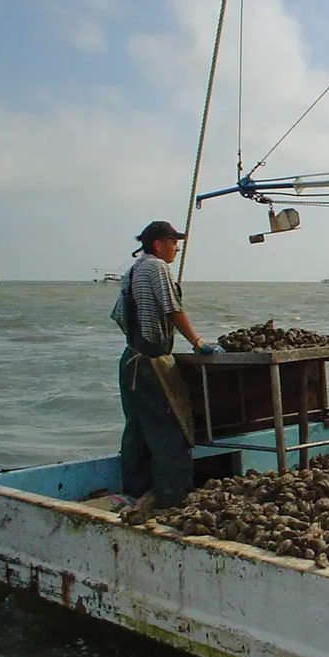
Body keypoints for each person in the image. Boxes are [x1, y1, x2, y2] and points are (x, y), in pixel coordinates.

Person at [110, 220, 223, 515]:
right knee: (170, 430)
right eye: (173, 242)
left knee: (135, 429)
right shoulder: (157, 268)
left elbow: (119, 316)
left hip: (130, 360)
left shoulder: (132, 271)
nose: (177, 247)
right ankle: (173, 499)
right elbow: (173, 310)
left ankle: (133, 493)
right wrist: (198, 342)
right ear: (158, 243)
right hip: (151, 364)